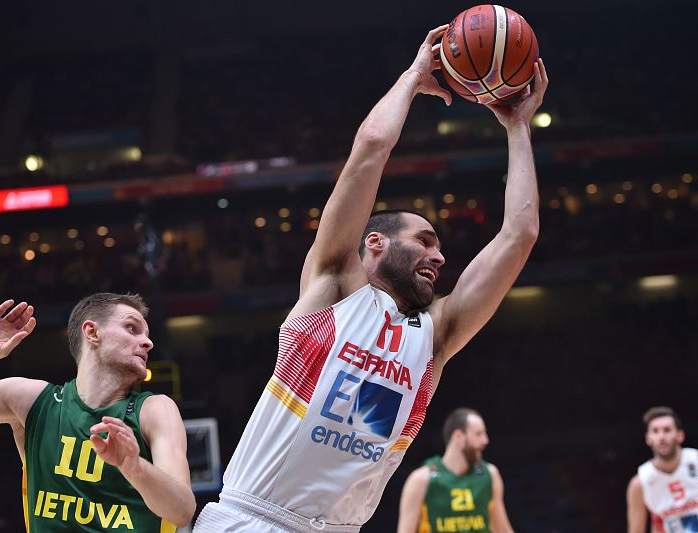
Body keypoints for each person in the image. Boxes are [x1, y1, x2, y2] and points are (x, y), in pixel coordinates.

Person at [194, 24, 548, 533]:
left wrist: (518, 128)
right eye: (425, 240)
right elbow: (371, 149)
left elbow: (520, 233)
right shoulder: (334, 285)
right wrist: (412, 76)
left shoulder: (437, 335)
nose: (440, 256)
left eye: (441, 247)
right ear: (375, 244)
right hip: (252, 519)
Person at [0, 293, 195, 532]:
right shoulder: (30, 400)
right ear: (91, 332)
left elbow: (182, 511)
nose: (147, 341)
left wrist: (134, 466)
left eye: (146, 334)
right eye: (132, 328)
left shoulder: (154, 410)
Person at [396, 408, 513, 533]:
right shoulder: (420, 480)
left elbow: (503, 530)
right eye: (479, 434)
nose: (485, 441)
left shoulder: (490, 474)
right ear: (458, 436)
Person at [627, 406, 698, 533]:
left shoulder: (695, 461)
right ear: (648, 438)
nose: (661, 436)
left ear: (680, 435)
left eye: (667, 430)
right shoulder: (639, 484)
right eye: (655, 431)